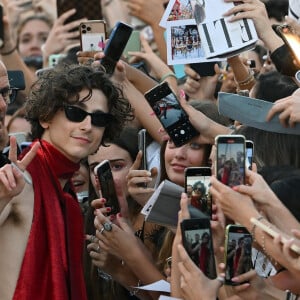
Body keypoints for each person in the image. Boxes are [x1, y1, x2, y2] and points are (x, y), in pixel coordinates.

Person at [0, 63, 133, 300]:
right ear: (45, 116)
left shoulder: (67, 190)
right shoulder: (19, 178)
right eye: (76, 113)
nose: (87, 126)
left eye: (99, 118)